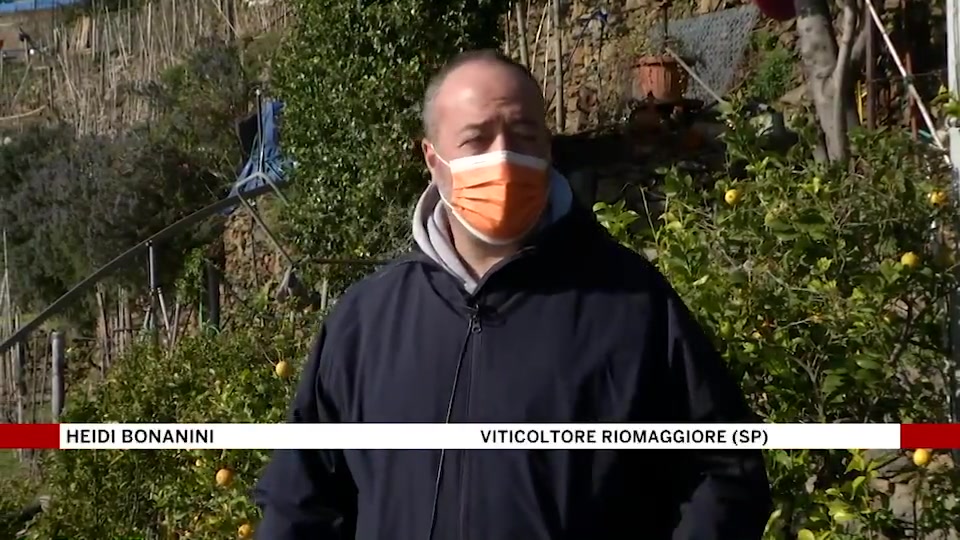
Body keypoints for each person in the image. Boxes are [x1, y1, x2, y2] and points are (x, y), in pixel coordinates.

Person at [253, 49, 771, 540]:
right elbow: (301, 499)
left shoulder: (631, 303)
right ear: (433, 160)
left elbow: (725, 470)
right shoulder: (366, 321)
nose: (503, 158)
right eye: (476, 140)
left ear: (548, 149)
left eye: (523, 136)